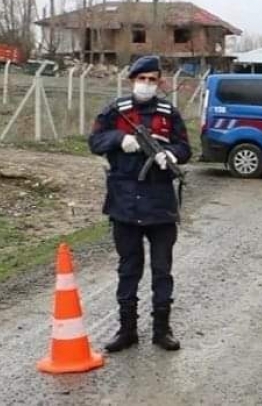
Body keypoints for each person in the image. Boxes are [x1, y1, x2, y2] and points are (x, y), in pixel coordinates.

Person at [88, 55, 191, 353]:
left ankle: (162, 330)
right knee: (128, 268)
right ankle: (127, 330)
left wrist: (170, 154)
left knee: (162, 270)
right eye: (141, 79)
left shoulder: (168, 113)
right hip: (124, 202)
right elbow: (94, 141)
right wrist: (120, 139)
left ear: (159, 82)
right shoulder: (115, 110)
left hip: (160, 204)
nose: (146, 85)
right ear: (132, 79)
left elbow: (185, 148)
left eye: (152, 80)